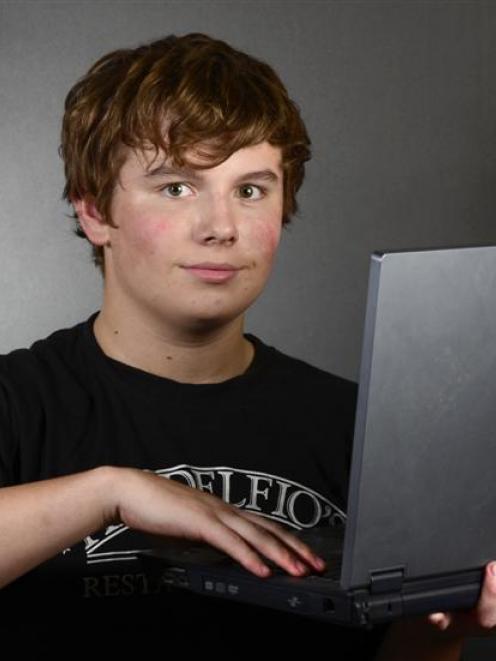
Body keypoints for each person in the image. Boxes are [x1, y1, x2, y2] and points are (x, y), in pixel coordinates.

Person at [0, 32, 494, 659]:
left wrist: (437, 625)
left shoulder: (362, 431)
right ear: (95, 211)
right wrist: (108, 493)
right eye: (176, 187)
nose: (222, 229)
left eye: (251, 189)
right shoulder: (19, 404)